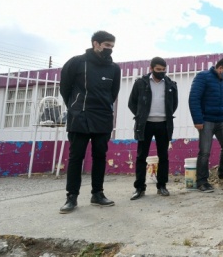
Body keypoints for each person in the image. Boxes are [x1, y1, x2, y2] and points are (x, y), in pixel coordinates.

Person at [59, 30, 121, 214]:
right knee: (76, 157)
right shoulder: (76, 62)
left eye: (112, 46)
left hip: (103, 117)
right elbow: (65, 88)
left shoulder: (114, 68)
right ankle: (71, 197)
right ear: (95, 43)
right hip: (80, 117)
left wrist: (104, 106)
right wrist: (75, 107)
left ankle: (98, 194)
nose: (109, 49)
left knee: (100, 157)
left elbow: (113, 93)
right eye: (106, 45)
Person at [128, 57, 178, 200]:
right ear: (151, 69)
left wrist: (164, 115)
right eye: (158, 70)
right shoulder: (140, 83)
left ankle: (162, 186)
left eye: (163, 70)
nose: (161, 72)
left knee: (164, 156)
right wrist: (142, 116)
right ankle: (139, 188)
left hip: (163, 124)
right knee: (140, 156)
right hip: (145, 125)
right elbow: (132, 103)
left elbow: (174, 104)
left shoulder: (171, 84)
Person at [188, 58, 223, 192]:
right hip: (206, 120)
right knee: (205, 151)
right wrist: (197, 120)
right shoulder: (203, 77)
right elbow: (194, 98)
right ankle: (202, 181)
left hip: (222, 120)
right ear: (220, 68)